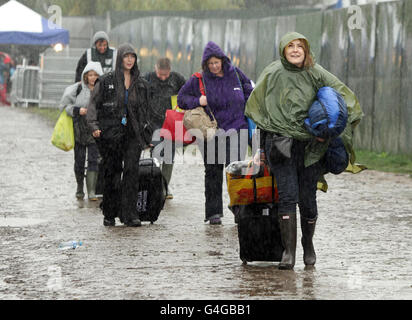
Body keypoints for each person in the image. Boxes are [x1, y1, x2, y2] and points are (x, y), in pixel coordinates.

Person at [245, 32, 363, 269]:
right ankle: (289, 252)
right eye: (291, 45)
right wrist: (258, 150)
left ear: (306, 50)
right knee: (287, 196)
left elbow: (343, 100)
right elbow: (261, 114)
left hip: (312, 147)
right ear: (283, 49)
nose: (296, 50)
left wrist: (329, 128)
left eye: (300, 46)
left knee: (307, 200)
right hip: (280, 144)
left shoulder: (316, 72)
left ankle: (307, 243)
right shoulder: (273, 73)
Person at [178, 41, 253, 225]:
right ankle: (213, 213)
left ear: (223, 60)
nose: (213, 66)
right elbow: (181, 99)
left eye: (216, 63)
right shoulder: (199, 79)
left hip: (237, 130)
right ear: (205, 64)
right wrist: (198, 100)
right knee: (212, 172)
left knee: (236, 171)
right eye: (210, 64)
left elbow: (250, 91)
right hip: (211, 132)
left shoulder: (235, 73)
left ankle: (239, 210)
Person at [87, 43, 153, 227]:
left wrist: (148, 136)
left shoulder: (141, 83)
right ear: (120, 59)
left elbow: (147, 111)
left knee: (132, 173)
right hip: (110, 134)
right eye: (126, 56)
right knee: (112, 173)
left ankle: (130, 214)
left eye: (133, 56)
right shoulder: (106, 80)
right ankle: (109, 213)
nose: (130, 60)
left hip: (133, 134)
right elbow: (93, 105)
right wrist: (93, 125)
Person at [59, 61, 104, 200]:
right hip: (78, 130)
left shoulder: (103, 90)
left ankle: (91, 191)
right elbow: (64, 106)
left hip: (94, 130)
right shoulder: (76, 89)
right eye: (90, 74)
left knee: (93, 160)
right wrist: (79, 110)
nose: (93, 77)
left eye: (96, 75)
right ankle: (80, 187)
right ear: (85, 76)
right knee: (79, 161)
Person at [144, 57, 186, 199]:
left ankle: (164, 186)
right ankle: (153, 186)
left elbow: (187, 92)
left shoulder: (177, 79)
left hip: (170, 122)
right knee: (155, 154)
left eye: (165, 75)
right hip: (152, 122)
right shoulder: (148, 78)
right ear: (155, 68)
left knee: (169, 154)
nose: (162, 77)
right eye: (160, 74)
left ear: (170, 70)